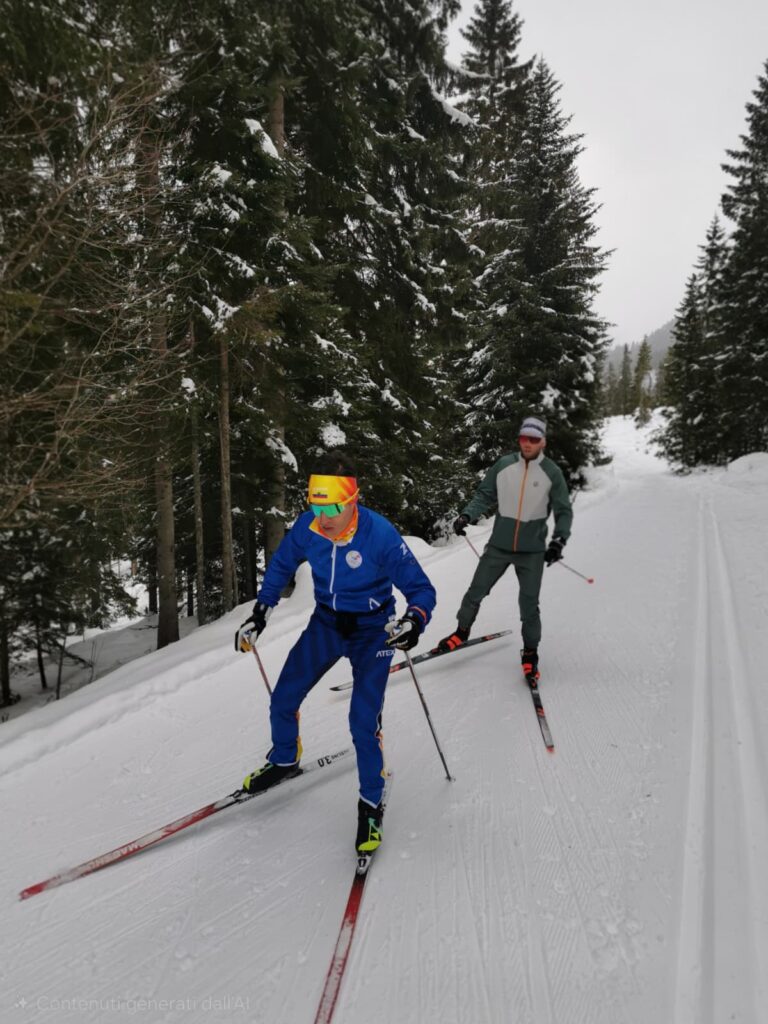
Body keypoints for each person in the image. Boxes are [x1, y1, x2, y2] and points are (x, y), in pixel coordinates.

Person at [236, 452, 436, 855]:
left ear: (352, 500)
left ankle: (371, 801)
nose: (323, 517)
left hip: (373, 631)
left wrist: (414, 621)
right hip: (326, 623)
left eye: (332, 508)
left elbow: (421, 590)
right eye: (316, 506)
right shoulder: (307, 527)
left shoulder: (379, 535)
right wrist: (261, 611)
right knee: (284, 697)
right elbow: (282, 565)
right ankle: (285, 758)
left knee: (362, 721)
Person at [437, 416, 572, 681]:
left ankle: (530, 652)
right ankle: (461, 632)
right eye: (524, 438)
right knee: (475, 591)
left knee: (529, 605)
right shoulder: (504, 465)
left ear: (543, 441)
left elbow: (563, 510)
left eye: (534, 439)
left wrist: (559, 540)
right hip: (499, 546)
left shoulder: (552, 472)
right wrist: (467, 515)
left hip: (532, 552)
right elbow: (485, 494)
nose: (528, 443)